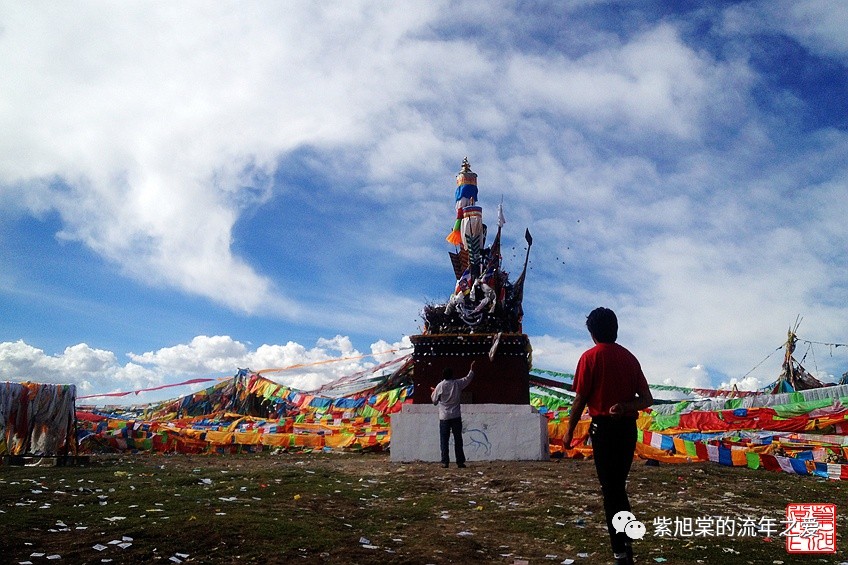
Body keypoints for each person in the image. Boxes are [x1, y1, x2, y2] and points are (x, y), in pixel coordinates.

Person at [563, 308, 653, 565]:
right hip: (626, 430)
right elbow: (647, 399)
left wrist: (569, 431)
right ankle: (625, 542)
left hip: (603, 430)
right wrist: (625, 407)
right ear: (615, 329)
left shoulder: (589, 358)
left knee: (610, 490)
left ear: (592, 333)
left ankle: (621, 550)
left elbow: (580, 399)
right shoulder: (630, 359)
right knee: (617, 487)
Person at [431, 360, 476, 468]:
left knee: (444, 440)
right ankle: (460, 461)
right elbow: (468, 379)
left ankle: (445, 462)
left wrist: (434, 393)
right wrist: (471, 369)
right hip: (456, 415)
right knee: (458, 439)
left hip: (444, 416)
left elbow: (434, 401)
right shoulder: (457, 383)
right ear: (452, 375)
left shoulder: (440, 386)